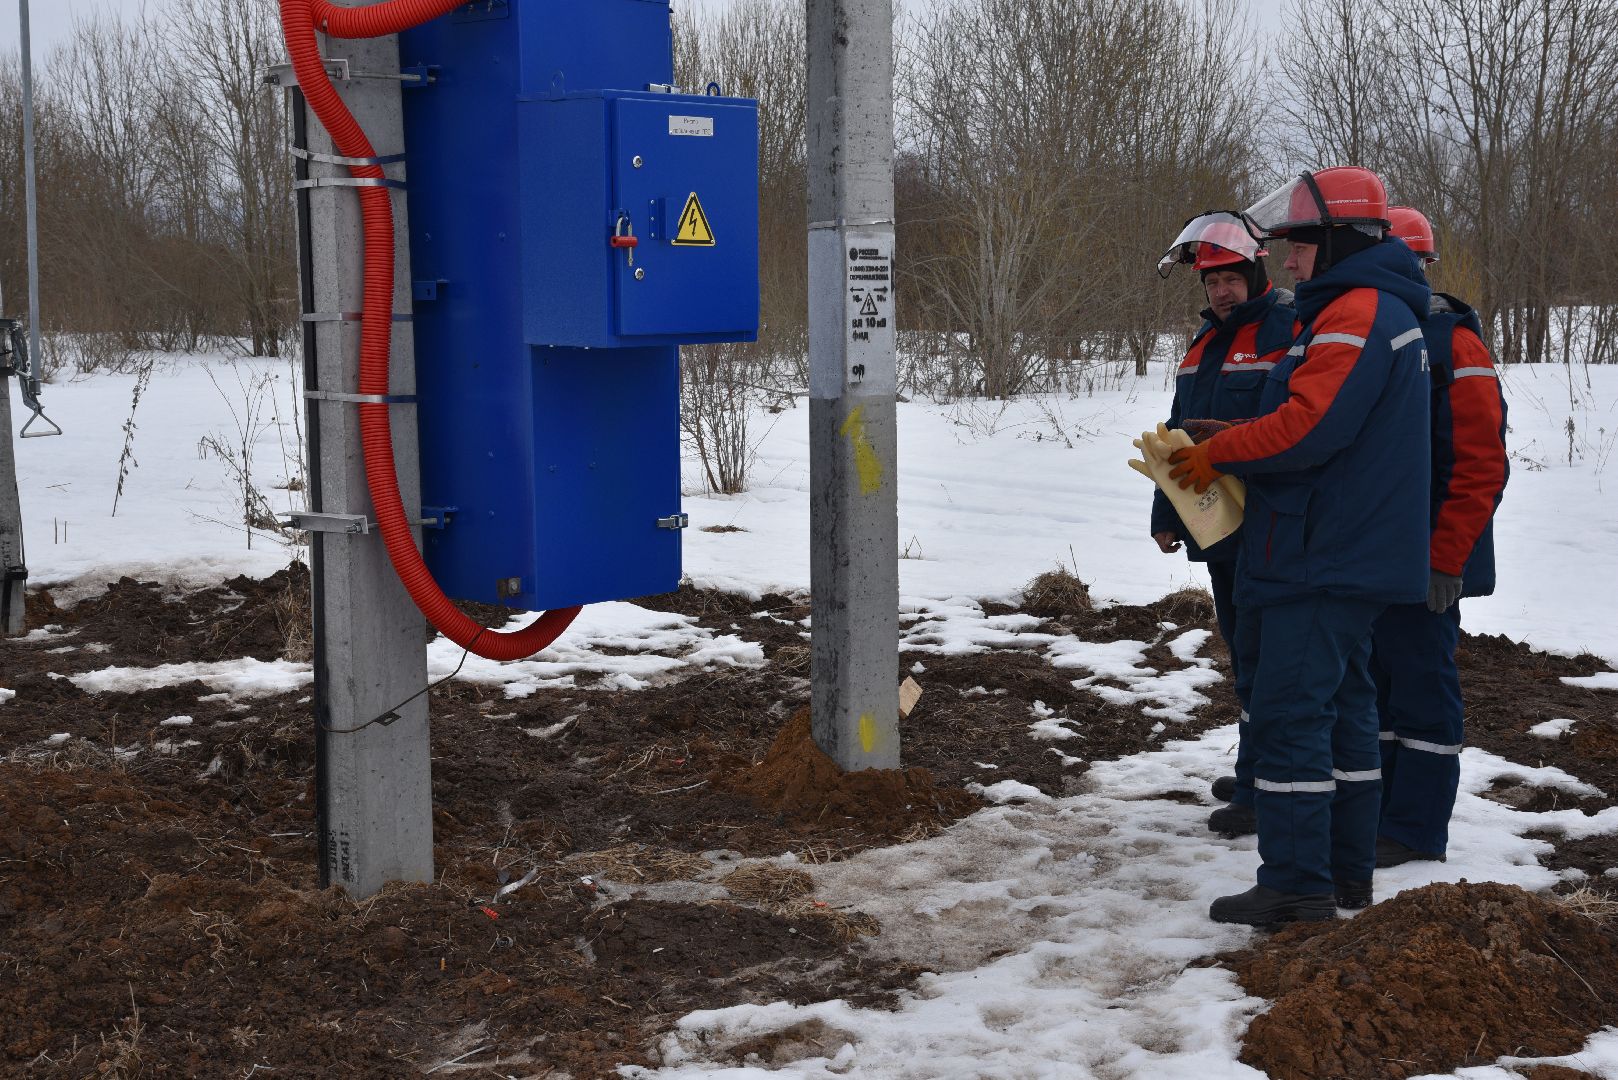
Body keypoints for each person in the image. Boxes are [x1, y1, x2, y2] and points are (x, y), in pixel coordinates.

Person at [1166, 167, 1432, 924]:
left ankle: (1295, 882)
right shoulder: (1377, 309)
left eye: (1299, 246)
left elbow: (1312, 427)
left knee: (1287, 714)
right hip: (1347, 548)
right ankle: (1344, 875)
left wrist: (1218, 454)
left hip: (1320, 550)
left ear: (1340, 240)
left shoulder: (1355, 312)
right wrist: (1230, 435)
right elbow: (1314, 415)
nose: (1286, 261)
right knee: (1345, 710)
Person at [1371, 206, 1508, 868]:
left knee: (1422, 686)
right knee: (1377, 688)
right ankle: (1384, 812)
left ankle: (1417, 828)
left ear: (1421, 266)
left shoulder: (1454, 342)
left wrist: (1444, 558)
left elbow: (1480, 465)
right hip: (1373, 556)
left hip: (1428, 559)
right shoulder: (1376, 332)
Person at [1153, 213, 1297, 838]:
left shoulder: (1289, 327)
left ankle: (1268, 783)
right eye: (1210, 282)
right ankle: (1257, 765)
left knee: (1272, 656)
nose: (1219, 291)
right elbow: (1179, 428)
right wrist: (1166, 512)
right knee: (1244, 651)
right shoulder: (1203, 343)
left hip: (1274, 523)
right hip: (1219, 528)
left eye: (1230, 278)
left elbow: (1298, 426)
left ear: (1255, 271)